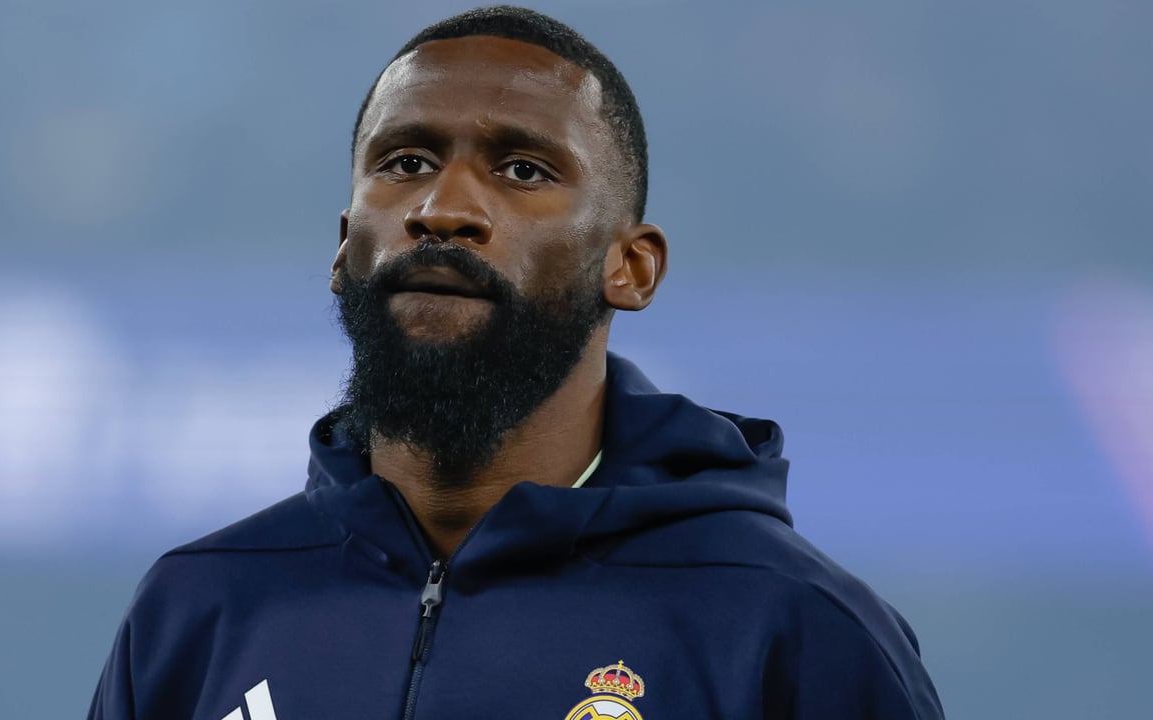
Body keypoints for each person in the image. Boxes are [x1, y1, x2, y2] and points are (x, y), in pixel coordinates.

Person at [89, 6, 944, 719]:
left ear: (631, 268)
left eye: (523, 170)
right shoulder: (199, 609)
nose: (443, 208)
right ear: (346, 245)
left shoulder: (788, 625)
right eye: (406, 163)